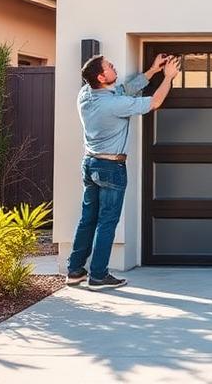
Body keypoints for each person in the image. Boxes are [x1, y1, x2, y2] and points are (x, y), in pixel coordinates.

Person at [66, 53, 180, 290]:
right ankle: (98, 276)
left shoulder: (86, 94)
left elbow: (123, 90)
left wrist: (152, 70)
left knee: (88, 219)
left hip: (91, 164)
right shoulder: (113, 105)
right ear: (101, 77)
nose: (113, 67)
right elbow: (154, 102)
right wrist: (168, 77)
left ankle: (75, 271)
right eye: (109, 66)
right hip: (111, 168)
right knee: (107, 222)